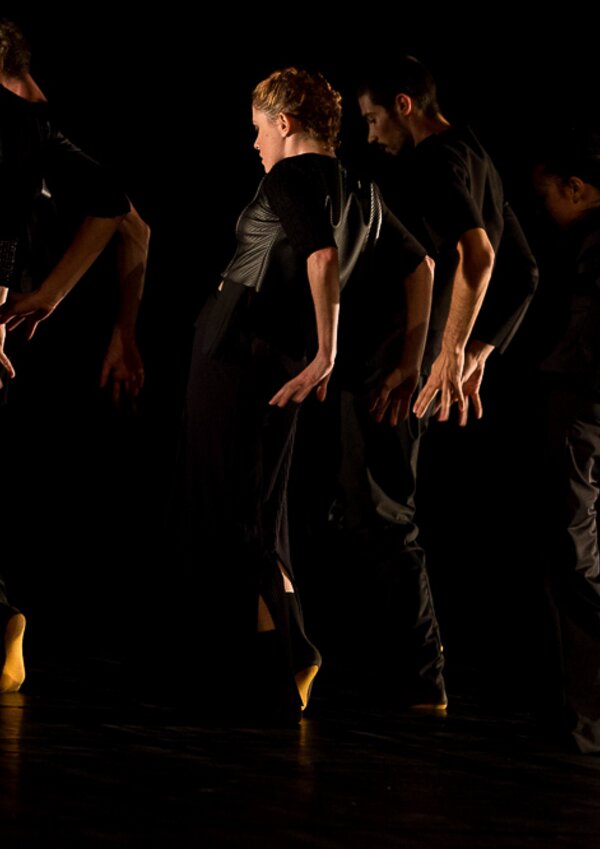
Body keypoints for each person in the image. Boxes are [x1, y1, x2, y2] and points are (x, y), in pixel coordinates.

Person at [169, 66, 434, 724]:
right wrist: (408, 362)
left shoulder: (288, 176)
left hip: (236, 347)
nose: (255, 142)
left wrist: (328, 352)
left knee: (225, 507)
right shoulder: (364, 191)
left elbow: (321, 256)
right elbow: (423, 265)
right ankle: (282, 656)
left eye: (259, 128)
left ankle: (283, 650)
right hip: (282, 361)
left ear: (284, 123)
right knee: (260, 510)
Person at [337, 56, 538, 709]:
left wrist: (450, 353)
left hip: (397, 365)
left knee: (382, 511)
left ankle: (420, 676)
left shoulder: (436, 161)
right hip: (409, 362)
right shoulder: (478, 155)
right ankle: (397, 667)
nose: (370, 135)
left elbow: (480, 256)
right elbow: (526, 272)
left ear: (404, 105)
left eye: (372, 119)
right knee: (368, 506)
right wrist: (481, 348)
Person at [0, 18, 147, 692]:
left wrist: (49, 296)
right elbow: (128, 217)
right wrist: (116, 328)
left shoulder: (16, 125)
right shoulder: (41, 129)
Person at [530, 126, 600, 753]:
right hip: (580, 404)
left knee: (575, 559)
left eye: (548, 193)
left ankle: (587, 720)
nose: (542, 208)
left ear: (576, 188)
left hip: (581, 406)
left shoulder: (589, 247)